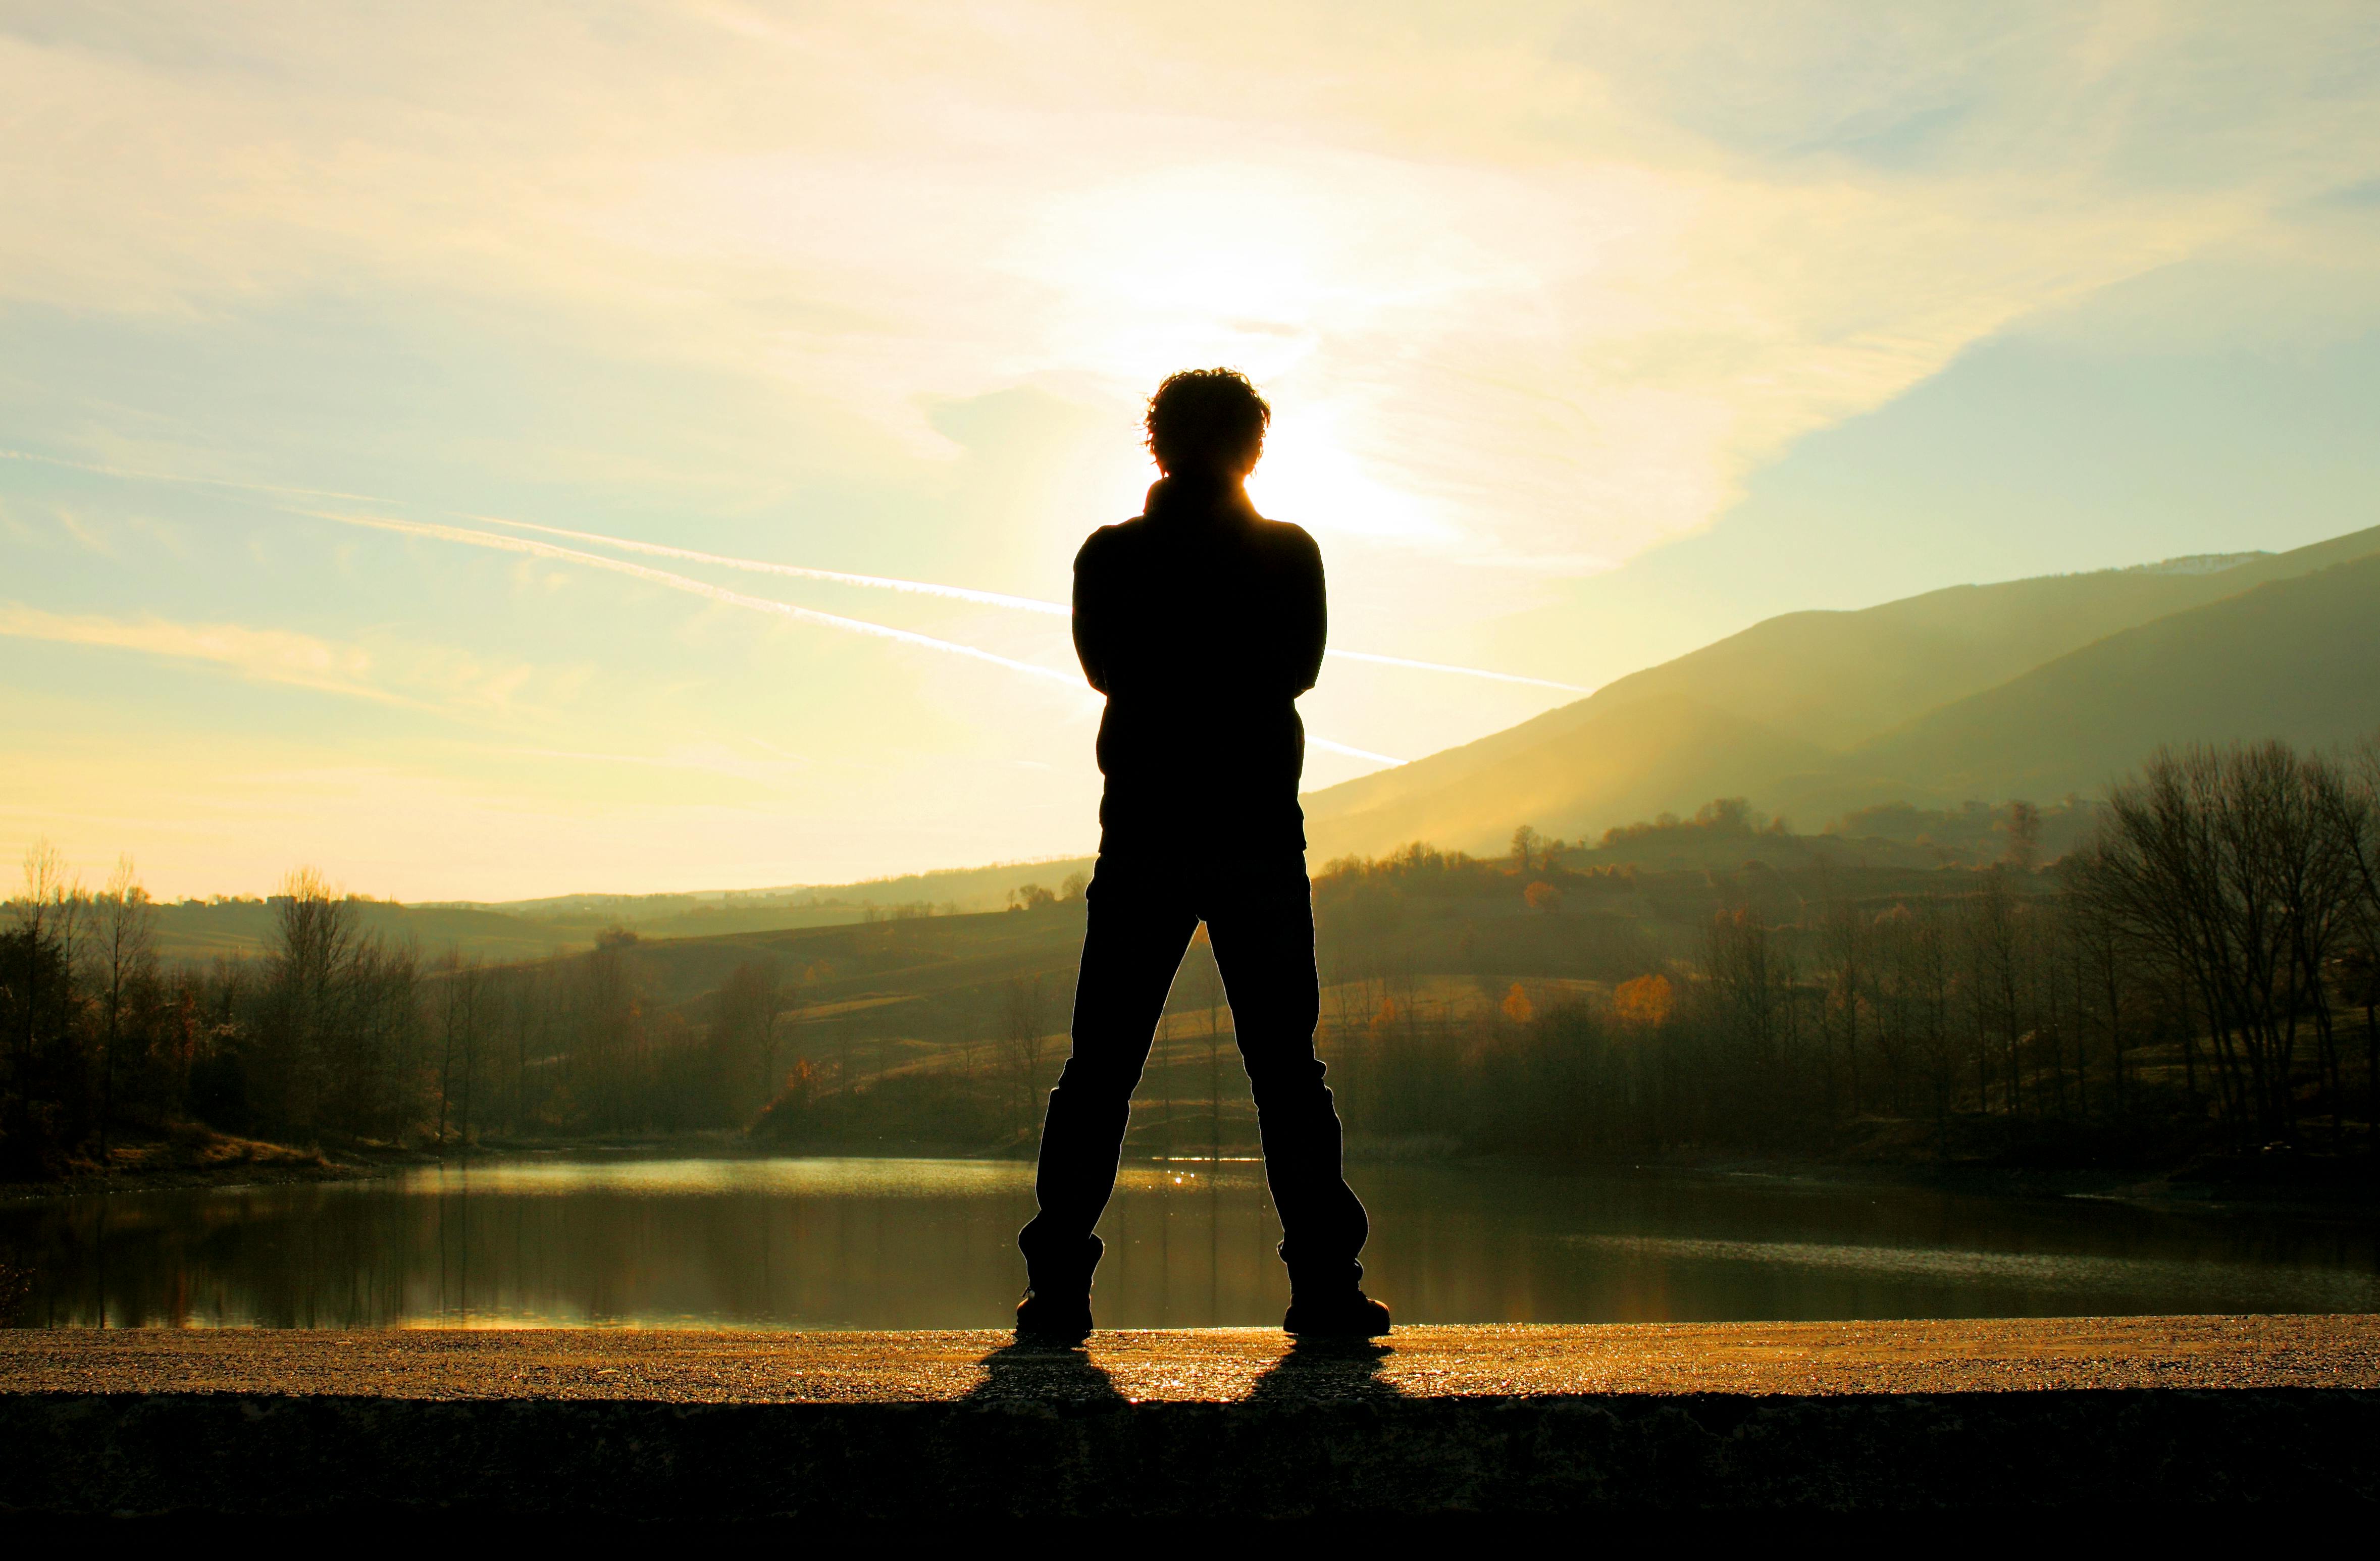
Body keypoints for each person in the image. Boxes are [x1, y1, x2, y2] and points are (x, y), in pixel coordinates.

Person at [1014, 368, 1389, 1342]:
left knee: (1100, 1067)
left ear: (1158, 444)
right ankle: (1324, 1286)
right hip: (1257, 835)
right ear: (1252, 449)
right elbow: (1297, 669)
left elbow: (1105, 671)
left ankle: (1056, 1289)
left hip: (1142, 833)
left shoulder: (1108, 557)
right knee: (1287, 1071)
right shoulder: (1288, 555)